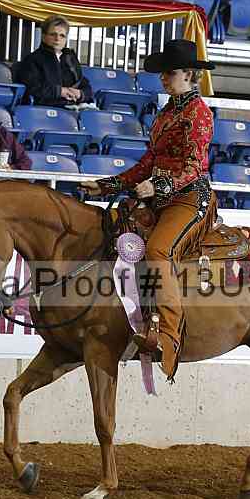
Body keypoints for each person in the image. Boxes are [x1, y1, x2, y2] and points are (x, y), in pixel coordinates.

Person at [78, 39, 216, 381]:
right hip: (160, 198)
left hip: (189, 199)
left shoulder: (199, 113)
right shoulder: (166, 112)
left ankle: (168, 336)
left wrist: (159, 186)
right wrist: (107, 186)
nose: (164, 78)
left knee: (157, 250)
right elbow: (147, 163)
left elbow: (193, 166)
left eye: (170, 72)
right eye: (163, 73)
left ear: (189, 74)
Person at [14, 15, 96, 110]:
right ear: (43, 36)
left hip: (75, 108)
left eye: (62, 36)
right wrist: (60, 92)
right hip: (47, 109)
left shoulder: (70, 59)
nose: (57, 39)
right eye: (53, 34)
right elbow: (32, 88)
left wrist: (80, 94)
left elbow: (85, 85)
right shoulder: (32, 59)